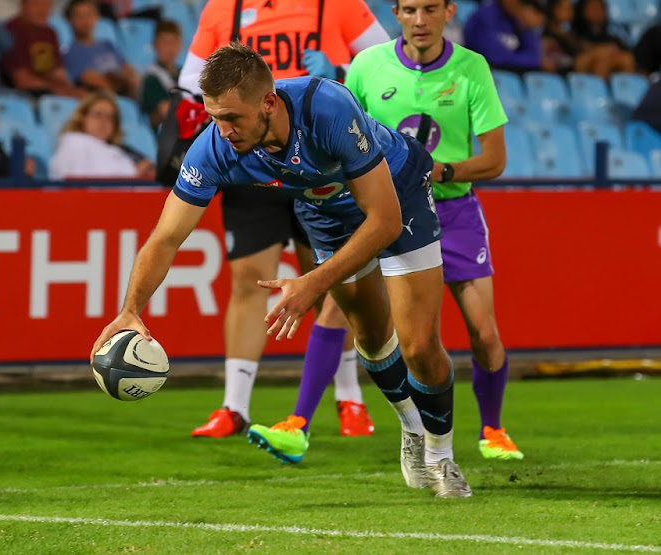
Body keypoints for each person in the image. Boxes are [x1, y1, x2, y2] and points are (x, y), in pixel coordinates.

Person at [91, 43, 472, 498]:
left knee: (419, 344)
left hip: (396, 192)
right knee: (371, 337)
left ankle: (440, 454)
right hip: (326, 212)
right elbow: (166, 237)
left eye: (232, 117)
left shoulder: (325, 106)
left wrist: (313, 280)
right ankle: (411, 429)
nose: (224, 130)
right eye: (214, 117)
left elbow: (384, 221)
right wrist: (131, 308)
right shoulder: (214, 147)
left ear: (269, 101)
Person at [179, 0, 391, 440]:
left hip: (316, 151)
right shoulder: (224, 8)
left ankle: (349, 397)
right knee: (247, 281)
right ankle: (234, 407)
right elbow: (189, 75)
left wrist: (340, 67)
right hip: (248, 156)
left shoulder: (337, 4)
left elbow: (380, 62)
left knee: (332, 283)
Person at [343, 0, 522, 461]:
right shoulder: (366, 66)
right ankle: (306, 421)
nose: (419, 21)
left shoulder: (470, 68)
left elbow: (496, 159)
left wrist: (437, 172)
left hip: (455, 212)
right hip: (392, 214)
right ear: (396, 14)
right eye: (409, 10)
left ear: (448, 11)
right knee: (383, 329)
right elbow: (344, 138)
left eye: (429, 9)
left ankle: (493, 429)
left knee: (483, 333)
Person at [49, 89, 155, 179]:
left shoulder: (118, 149)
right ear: (83, 117)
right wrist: (135, 172)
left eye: (110, 117)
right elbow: (78, 181)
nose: (104, 121)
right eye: (98, 114)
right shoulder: (73, 142)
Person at [0, 0, 83, 98]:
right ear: (23, 6)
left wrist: (69, 90)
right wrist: (59, 90)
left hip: (49, 90)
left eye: (47, 6)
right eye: (37, 5)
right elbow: (22, 81)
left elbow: (59, 74)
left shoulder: (50, 32)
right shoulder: (12, 30)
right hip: (24, 95)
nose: (42, 11)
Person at [63, 0, 139, 97]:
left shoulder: (107, 45)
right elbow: (91, 79)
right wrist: (121, 83)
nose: (85, 20)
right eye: (79, 16)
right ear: (70, 20)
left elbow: (128, 70)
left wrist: (131, 81)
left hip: (126, 93)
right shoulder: (70, 53)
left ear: (97, 17)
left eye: (89, 14)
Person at [463, 0, 545, 74]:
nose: (518, 3)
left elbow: (534, 58)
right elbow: (493, 57)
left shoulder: (516, 19)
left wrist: (527, 28)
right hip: (481, 73)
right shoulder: (484, 17)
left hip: (511, 74)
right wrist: (520, 59)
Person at [570, 0, 634, 79]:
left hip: (609, 71)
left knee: (626, 59)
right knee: (603, 56)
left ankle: (622, 89)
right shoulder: (573, 35)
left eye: (600, 8)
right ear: (582, 10)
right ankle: (598, 89)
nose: (597, 11)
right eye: (593, 8)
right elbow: (575, 57)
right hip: (578, 72)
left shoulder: (611, 38)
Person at [139, 19, 182, 131]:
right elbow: (165, 111)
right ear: (155, 44)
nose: (169, 47)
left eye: (173, 42)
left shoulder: (184, 72)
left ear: (180, 45)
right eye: (164, 42)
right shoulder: (151, 77)